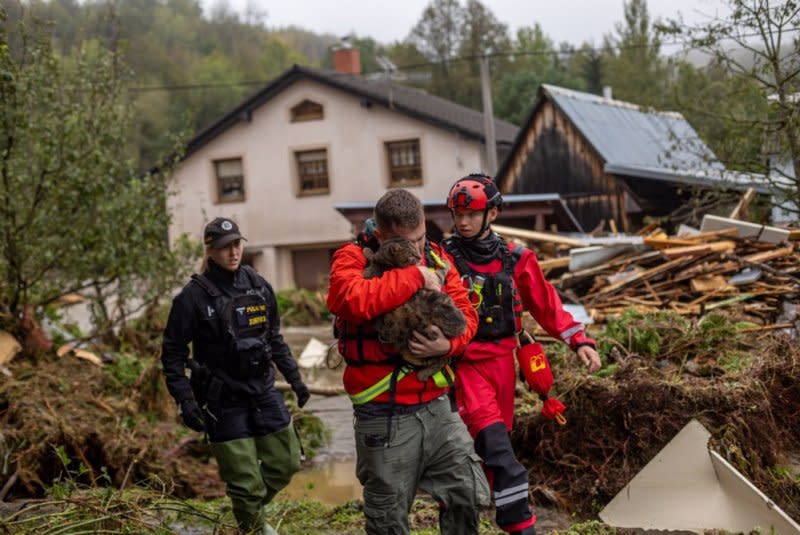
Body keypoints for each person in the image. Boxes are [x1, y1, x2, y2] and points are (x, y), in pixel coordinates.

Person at [442, 173, 602, 535]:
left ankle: (459, 520)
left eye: (471, 214)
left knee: (487, 454)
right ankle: (521, 527)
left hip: (503, 365)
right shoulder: (443, 259)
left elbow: (547, 306)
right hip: (463, 366)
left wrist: (580, 341)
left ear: (493, 214)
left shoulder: (517, 258)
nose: (462, 222)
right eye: (457, 214)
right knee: (499, 452)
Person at [327, 189, 490, 535]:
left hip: (437, 406)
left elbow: (466, 313)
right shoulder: (352, 257)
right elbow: (351, 300)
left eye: (421, 239)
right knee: (389, 520)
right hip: (383, 414)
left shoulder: (436, 255)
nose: (417, 251)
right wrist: (416, 276)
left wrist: (448, 344)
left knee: (467, 492)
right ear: (383, 235)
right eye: (408, 242)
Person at [161, 217, 310, 535]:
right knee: (244, 481)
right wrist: (185, 401)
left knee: (287, 463)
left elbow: (275, 338)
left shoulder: (258, 286)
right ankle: (254, 525)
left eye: (236, 244)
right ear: (210, 251)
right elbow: (172, 354)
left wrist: (295, 379)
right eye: (224, 247)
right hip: (222, 399)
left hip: (263, 390)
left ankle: (249, 508)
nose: (232, 252)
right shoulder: (192, 297)